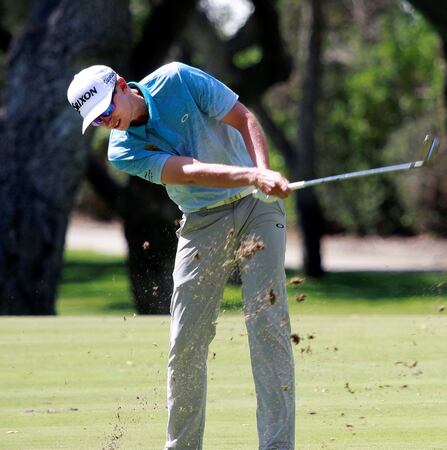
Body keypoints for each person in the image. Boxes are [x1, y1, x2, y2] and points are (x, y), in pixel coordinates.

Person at [67, 63, 295, 450]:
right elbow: (187, 172)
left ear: (122, 86)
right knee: (185, 342)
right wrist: (251, 176)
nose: (108, 121)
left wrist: (263, 173)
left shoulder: (177, 79)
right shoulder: (123, 151)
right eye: (98, 119)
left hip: (258, 208)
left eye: (107, 109)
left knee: (267, 325)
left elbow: (243, 118)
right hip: (202, 222)